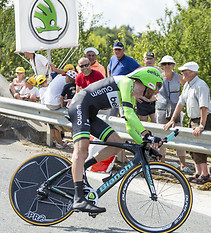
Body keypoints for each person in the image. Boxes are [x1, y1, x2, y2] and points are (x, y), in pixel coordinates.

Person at [68, 67, 163, 213]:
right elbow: (129, 114)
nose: (154, 93)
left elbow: (130, 127)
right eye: (154, 89)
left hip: (90, 114)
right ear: (148, 83)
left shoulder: (131, 95)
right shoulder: (126, 82)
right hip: (80, 106)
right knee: (82, 150)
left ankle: (83, 168)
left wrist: (147, 147)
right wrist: (146, 133)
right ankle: (78, 199)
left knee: (118, 144)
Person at [164, 61, 211, 184]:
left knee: (199, 146)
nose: (182, 73)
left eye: (184, 71)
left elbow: (204, 107)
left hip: (202, 118)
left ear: (191, 72)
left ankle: (205, 174)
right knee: (192, 147)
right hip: (193, 119)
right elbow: (181, 103)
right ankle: (198, 173)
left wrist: (201, 125)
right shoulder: (188, 85)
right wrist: (172, 119)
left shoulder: (201, 86)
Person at [155, 55, 190, 173]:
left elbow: (187, 89)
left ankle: (183, 165)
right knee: (161, 136)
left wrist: (182, 100)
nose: (167, 66)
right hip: (161, 109)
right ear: (161, 66)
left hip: (175, 110)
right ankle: (162, 163)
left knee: (178, 135)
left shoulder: (179, 77)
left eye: (169, 64)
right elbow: (152, 90)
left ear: (173, 65)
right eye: (164, 64)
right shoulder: (158, 77)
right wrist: (155, 97)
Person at [107, 41, 141, 116]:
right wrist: (109, 79)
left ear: (123, 50)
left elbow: (139, 69)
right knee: (112, 114)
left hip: (124, 90)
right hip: (113, 90)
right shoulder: (112, 58)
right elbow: (108, 68)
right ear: (113, 50)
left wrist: (134, 85)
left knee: (124, 114)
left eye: (119, 49)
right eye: (116, 49)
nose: (117, 51)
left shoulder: (129, 60)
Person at [136, 52, 162, 122]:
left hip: (155, 101)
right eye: (147, 59)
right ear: (144, 60)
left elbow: (164, 83)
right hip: (142, 101)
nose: (149, 61)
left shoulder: (158, 71)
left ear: (154, 60)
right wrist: (135, 96)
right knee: (143, 125)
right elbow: (131, 83)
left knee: (156, 123)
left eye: (151, 59)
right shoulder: (139, 71)